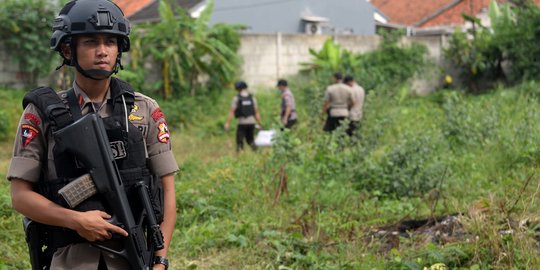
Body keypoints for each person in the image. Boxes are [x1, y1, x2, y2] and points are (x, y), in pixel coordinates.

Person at [7, 0, 178, 269]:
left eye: (110, 42)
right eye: (90, 41)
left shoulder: (144, 109)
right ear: (67, 49)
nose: (102, 51)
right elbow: (20, 196)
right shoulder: (40, 113)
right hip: (68, 260)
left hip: (133, 258)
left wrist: (161, 259)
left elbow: (167, 192)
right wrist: (75, 220)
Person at [224, 80, 263, 152]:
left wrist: (227, 123)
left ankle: (239, 156)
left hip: (242, 123)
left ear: (238, 89)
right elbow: (256, 112)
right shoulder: (252, 98)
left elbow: (231, 112)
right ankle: (258, 153)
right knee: (250, 140)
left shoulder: (236, 98)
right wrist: (260, 124)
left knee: (239, 141)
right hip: (252, 123)